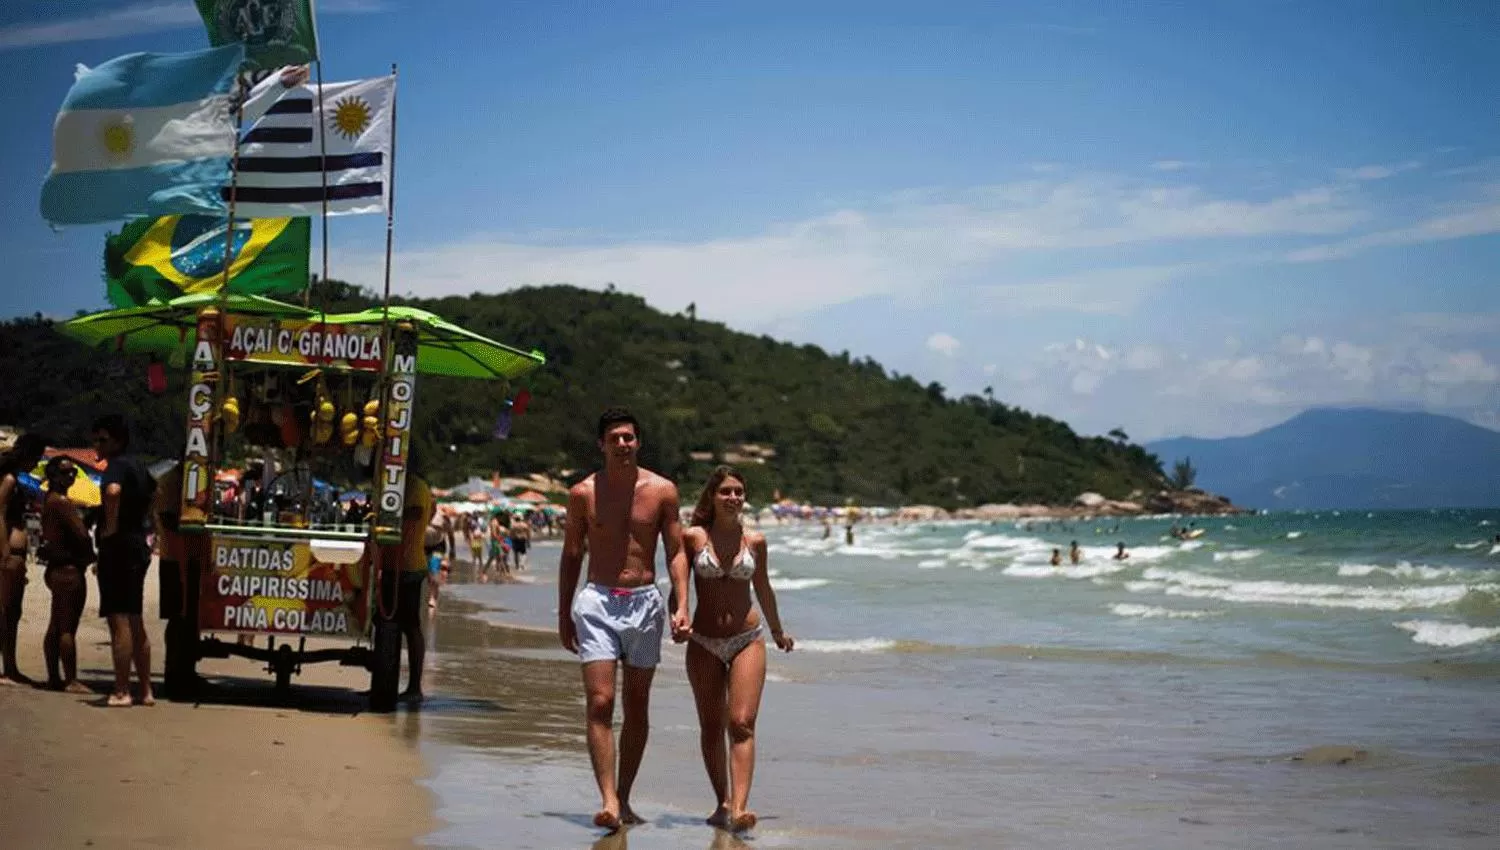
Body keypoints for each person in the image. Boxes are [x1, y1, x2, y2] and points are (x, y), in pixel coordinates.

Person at [557, 407, 691, 830]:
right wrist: (564, 612)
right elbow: (572, 554)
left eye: (628, 437)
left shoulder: (662, 491)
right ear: (601, 444)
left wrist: (682, 604)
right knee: (600, 701)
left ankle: (626, 796)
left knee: (636, 706)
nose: (622, 444)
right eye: (614, 438)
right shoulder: (582, 493)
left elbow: (676, 552)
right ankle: (609, 799)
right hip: (597, 601)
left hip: (645, 602)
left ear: (638, 442)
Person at [681, 466, 792, 833]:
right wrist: (677, 615)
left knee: (741, 722)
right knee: (711, 727)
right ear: (712, 496)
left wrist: (777, 631)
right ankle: (722, 803)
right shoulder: (694, 537)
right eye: (726, 491)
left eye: (739, 492)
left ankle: (741, 807)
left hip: (747, 638)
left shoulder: (755, 541)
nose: (733, 498)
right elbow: (678, 585)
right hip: (703, 641)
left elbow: (763, 588)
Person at [92, 415, 158, 706]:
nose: (97, 444)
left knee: (118, 619)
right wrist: (149, 527)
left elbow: (113, 492)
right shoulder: (140, 466)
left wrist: (109, 527)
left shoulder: (116, 465)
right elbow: (156, 493)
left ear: (117, 441)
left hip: (119, 547)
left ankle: (121, 690)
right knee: (135, 618)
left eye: (103, 439)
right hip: (137, 545)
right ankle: (145, 689)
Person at [377, 467, 436, 702]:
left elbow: (414, 513)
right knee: (387, 623)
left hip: (409, 565)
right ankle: (386, 682)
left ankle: (414, 687)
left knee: (410, 625)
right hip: (394, 563)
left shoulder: (412, 486)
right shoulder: (406, 483)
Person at [38, 457, 94, 693]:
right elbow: (81, 535)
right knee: (67, 627)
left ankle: (54, 676)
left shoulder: (49, 501)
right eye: (65, 473)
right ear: (53, 476)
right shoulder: (61, 502)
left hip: (56, 568)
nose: (70, 477)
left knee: (56, 624)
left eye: (72, 473)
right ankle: (70, 679)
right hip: (69, 569)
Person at [0, 433, 47, 685]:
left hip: (13, 552)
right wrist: (5, 551)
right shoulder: (9, 480)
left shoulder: (14, 479)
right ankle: (8, 668)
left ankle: (10, 666)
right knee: (8, 611)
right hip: (8, 553)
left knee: (12, 611)